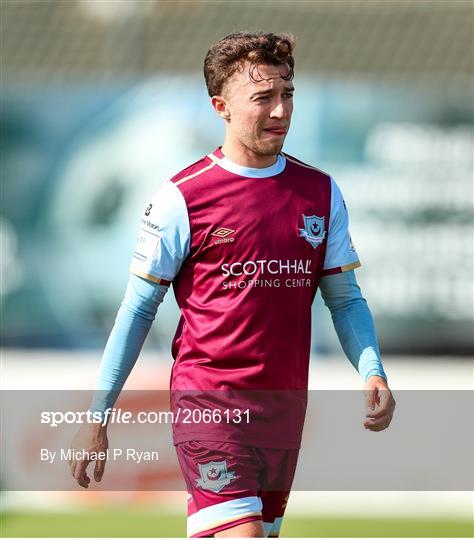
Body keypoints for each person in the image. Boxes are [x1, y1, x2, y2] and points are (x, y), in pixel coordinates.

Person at [69, 32, 395, 538]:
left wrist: (372, 371)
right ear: (221, 106)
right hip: (209, 405)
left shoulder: (320, 193)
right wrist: (98, 414)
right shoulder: (182, 199)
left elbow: (345, 300)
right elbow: (136, 311)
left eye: (288, 94)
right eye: (263, 98)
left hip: (283, 413)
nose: (281, 110)